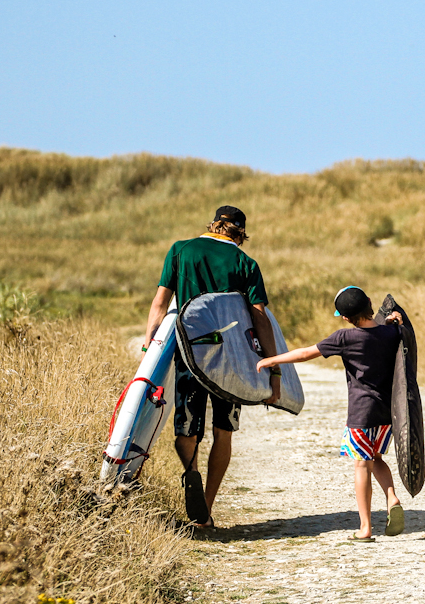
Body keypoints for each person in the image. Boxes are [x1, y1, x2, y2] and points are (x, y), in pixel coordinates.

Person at [143, 206, 281, 528]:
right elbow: (260, 318)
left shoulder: (181, 250)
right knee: (224, 431)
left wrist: (149, 348)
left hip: (190, 353)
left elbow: (160, 303)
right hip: (231, 361)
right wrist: (274, 368)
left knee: (186, 429)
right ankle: (205, 509)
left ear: (214, 224)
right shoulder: (245, 263)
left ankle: (191, 470)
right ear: (240, 234)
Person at [255, 286, 406, 542]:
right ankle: (391, 497)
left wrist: (272, 360)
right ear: (370, 303)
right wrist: (393, 321)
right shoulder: (390, 332)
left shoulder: (345, 337)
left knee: (361, 465)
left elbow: (306, 353)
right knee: (376, 458)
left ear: (345, 318)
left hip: (361, 414)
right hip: (386, 413)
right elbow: (391, 331)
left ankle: (365, 528)